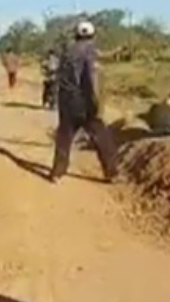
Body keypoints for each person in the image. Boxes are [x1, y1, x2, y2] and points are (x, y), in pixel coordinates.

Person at [49, 21, 119, 183]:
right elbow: (91, 77)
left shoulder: (67, 52)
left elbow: (60, 77)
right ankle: (112, 173)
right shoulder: (90, 51)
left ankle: (57, 173)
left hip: (66, 101)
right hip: (83, 101)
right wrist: (94, 102)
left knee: (64, 138)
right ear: (92, 36)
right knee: (102, 137)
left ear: (76, 35)